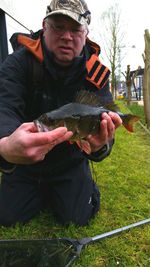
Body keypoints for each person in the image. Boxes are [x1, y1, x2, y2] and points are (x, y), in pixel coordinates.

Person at [0, 0, 122, 227]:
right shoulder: (18, 62)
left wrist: (99, 147)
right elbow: (4, 106)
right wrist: (6, 144)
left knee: (77, 219)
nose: (67, 36)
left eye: (75, 29)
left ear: (85, 34)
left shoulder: (96, 72)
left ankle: (77, 187)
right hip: (26, 162)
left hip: (70, 162)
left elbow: (107, 120)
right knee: (7, 216)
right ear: (44, 27)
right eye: (58, 26)